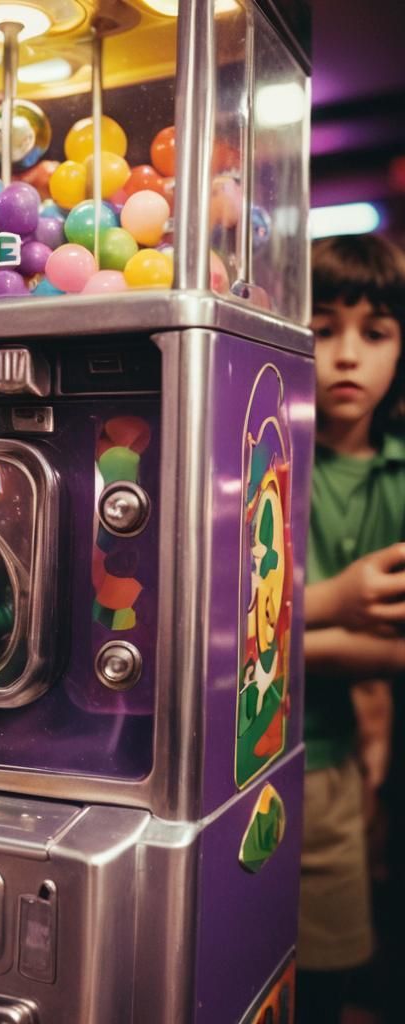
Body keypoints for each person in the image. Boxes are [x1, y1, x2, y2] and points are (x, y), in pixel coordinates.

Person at [298, 234, 405, 1023]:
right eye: (323, 327)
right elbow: (204, 634)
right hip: (227, 762)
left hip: (333, 765)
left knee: (326, 981)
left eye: (374, 332)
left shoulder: (397, 476)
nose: (345, 355)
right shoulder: (260, 453)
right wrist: (332, 601)